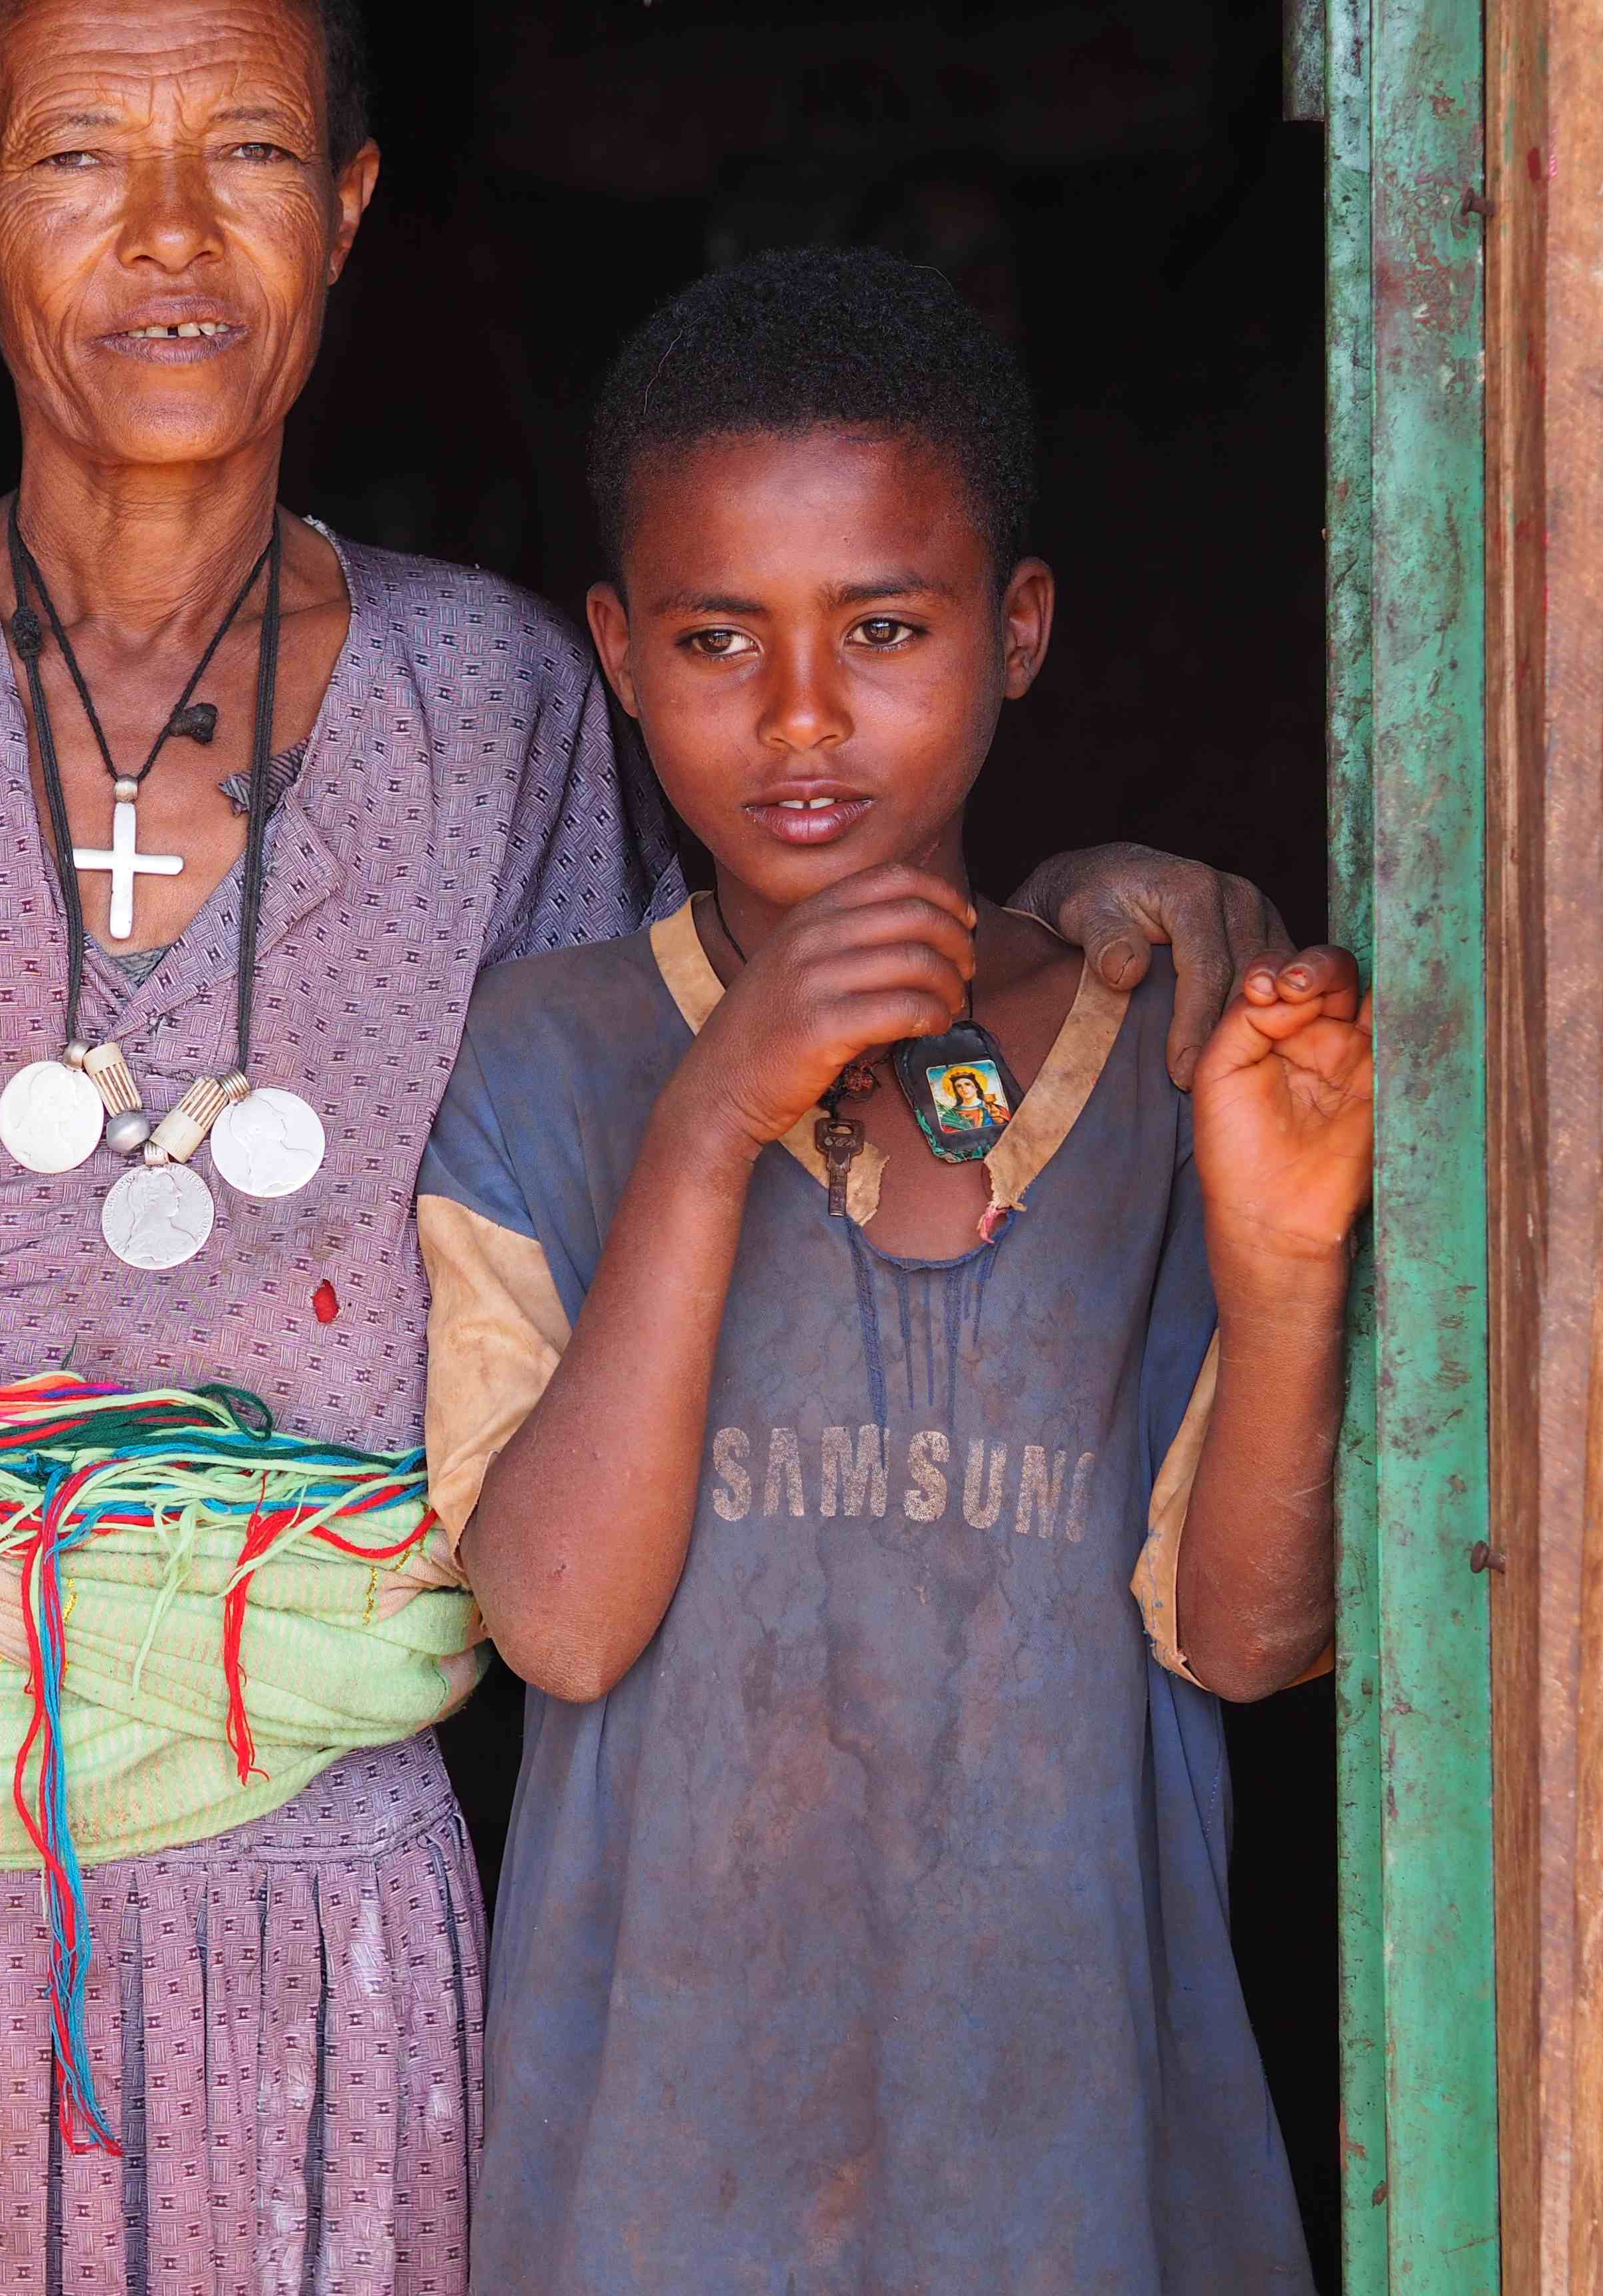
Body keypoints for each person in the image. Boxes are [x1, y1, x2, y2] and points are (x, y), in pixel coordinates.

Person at [0, 3, 1295, 2286]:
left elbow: (738, 1051)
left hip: (325, 1951)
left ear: (351, 208)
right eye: (81, 156)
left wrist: (1077, 913)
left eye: (252, 150)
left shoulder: (498, 711)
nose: (175, 236)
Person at [420, 249, 1364, 2292]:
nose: (803, 716)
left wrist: (1286, 1269)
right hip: (656, 2197)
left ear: (1018, 628)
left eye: (885, 629)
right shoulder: (547, 1062)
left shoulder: (1175, 1062)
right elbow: (558, 1625)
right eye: (716, 638)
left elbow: (1253, 1642)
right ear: (617, 652)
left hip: (1077, 2181)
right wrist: (706, 1121)